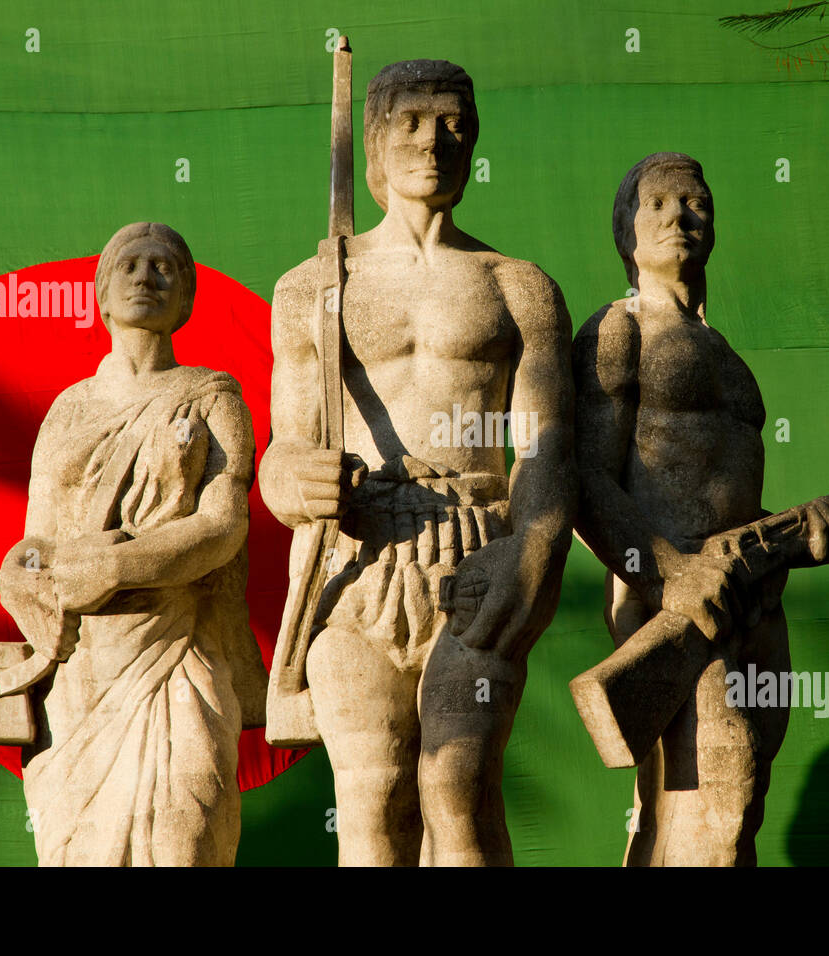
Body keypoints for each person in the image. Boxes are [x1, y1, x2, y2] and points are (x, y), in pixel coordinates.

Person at [259, 60, 576, 866]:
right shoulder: (310, 289)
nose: (434, 139)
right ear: (372, 144)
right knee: (372, 793)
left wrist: (532, 555)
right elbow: (283, 449)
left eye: (454, 124)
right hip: (351, 559)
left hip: (476, 548)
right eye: (411, 121)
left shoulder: (519, 286)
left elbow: (545, 446)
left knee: (458, 790)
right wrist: (295, 479)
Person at [572, 154, 829, 865]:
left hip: (755, 597)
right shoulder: (616, 330)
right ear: (625, 230)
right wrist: (670, 571)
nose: (679, 216)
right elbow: (585, 480)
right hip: (676, 597)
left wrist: (798, 531)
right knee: (716, 800)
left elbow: (726, 482)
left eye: (695, 202)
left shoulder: (720, 348)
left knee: (735, 806)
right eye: (657, 204)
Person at [0, 222, 264, 866]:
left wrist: (113, 565)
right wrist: (17, 576)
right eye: (130, 266)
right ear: (102, 295)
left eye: (165, 267)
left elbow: (223, 526)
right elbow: (36, 541)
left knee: (185, 834)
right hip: (82, 670)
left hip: (179, 653)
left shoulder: (213, 396)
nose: (147, 277)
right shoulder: (69, 409)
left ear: (188, 300)